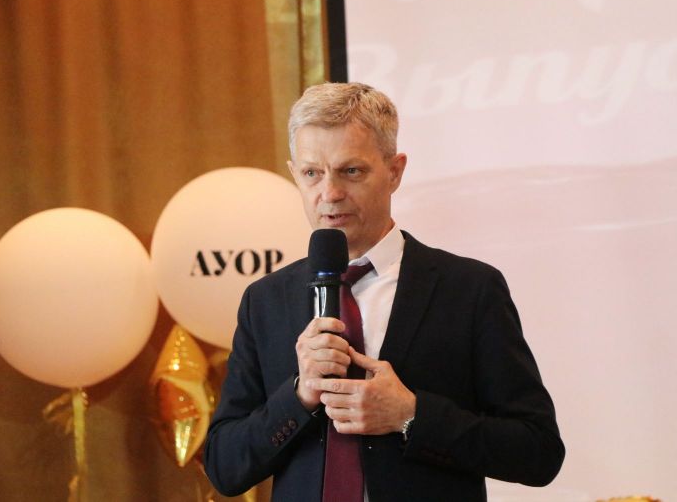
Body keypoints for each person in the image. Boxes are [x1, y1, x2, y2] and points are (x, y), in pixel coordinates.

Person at [203, 82, 564, 502]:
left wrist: (411, 415)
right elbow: (225, 467)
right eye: (312, 173)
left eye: (351, 171)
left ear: (394, 171)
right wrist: (299, 395)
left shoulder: (469, 290)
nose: (329, 193)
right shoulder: (265, 301)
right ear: (294, 174)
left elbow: (538, 451)